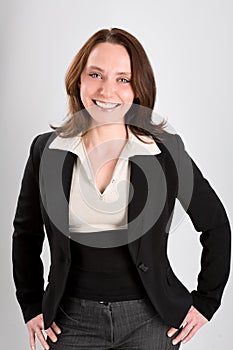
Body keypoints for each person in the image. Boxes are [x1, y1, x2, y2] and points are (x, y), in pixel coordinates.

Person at [12, 28, 231, 350]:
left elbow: (216, 225)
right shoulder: (46, 150)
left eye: (123, 79)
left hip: (151, 321)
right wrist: (31, 306)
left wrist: (207, 302)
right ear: (79, 80)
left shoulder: (164, 152)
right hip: (69, 321)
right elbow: (26, 234)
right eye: (96, 74)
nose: (106, 90)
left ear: (138, 89)